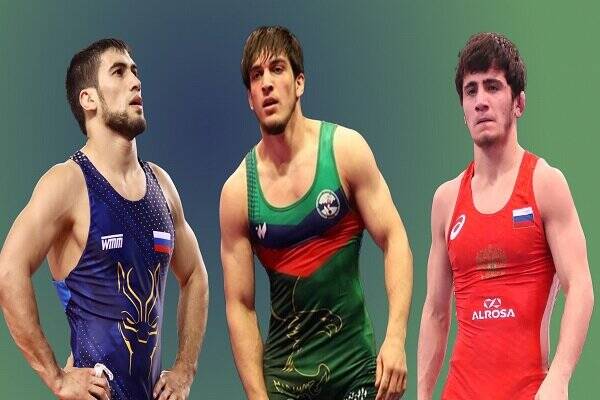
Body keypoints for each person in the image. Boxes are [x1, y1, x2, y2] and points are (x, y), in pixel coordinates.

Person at [0, 38, 209, 400]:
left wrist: (185, 369)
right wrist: (56, 378)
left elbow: (194, 276)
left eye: (135, 72)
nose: (136, 82)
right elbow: (8, 271)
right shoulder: (67, 184)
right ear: (89, 99)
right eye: (119, 72)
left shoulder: (162, 186)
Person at [220, 26, 413, 400]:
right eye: (256, 76)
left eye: (277, 69)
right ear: (250, 99)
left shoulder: (345, 151)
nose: (266, 84)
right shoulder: (238, 193)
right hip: (286, 384)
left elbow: (395, 240)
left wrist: (395, 338)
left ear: (299, 83)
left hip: (356, 373)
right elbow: (240, 306)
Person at [417, 32, 594, 400]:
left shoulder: (545, 184)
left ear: (519, 103)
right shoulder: (446, 200)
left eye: (493, 86)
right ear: (463, 109)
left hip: (528, 392)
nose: (481, 101)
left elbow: (580, 287)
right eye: (471, 91)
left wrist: (559, 378)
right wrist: (422, 394)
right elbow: (435, 311)